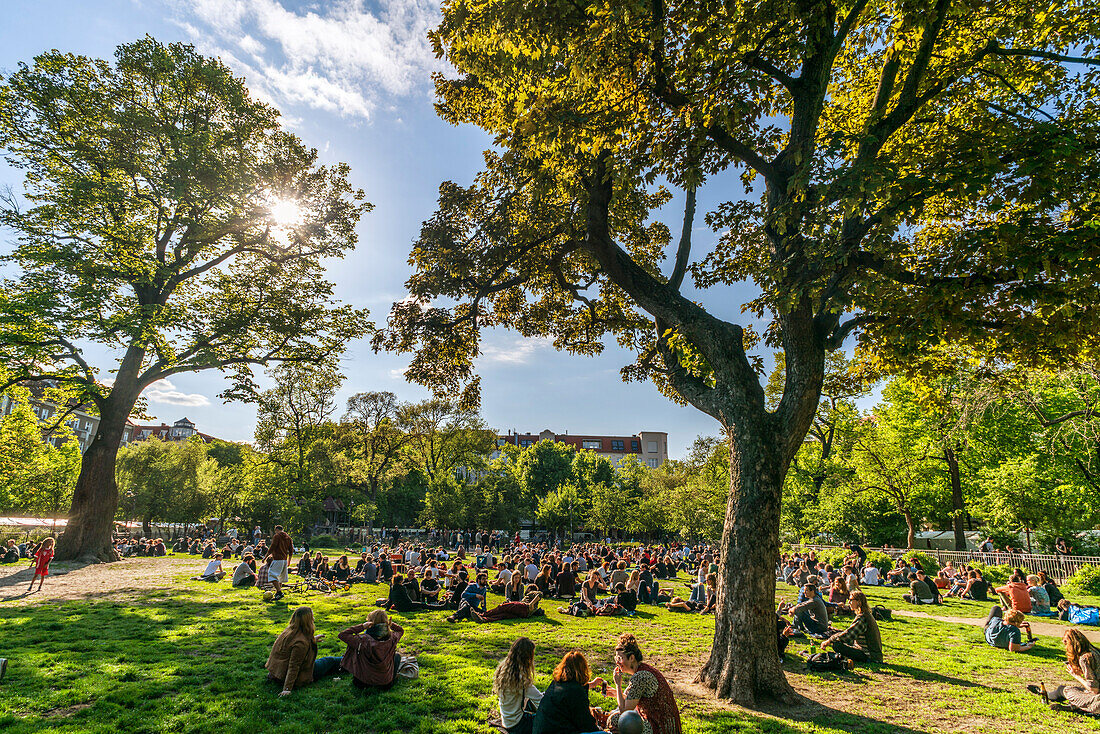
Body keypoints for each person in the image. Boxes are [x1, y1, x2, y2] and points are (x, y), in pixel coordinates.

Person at [605, 633, 682, 734]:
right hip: (662, 723)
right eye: (616, 659)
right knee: (616, 716)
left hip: (660, 727)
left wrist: (618, 684)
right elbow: (630, 701)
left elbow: (625, 712)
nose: (617, 663)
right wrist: (616, 693)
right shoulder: (643, 669)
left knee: (616, 720)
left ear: (631, 658)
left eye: (620, 659)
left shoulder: (640, 677)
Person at [265, 606, 341, 695]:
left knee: (327, 663)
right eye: (312, 617)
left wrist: (313, 640)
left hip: (277, 674)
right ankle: (351, 660)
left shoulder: (288, 631)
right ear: (308, 621)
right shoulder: (300, 643)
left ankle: (347, 659)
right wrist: (287, 688)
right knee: (329, 661)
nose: (313, 619)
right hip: (298, 675)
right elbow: (294, 666)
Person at [531, 650, 606, 734]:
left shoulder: (556, 684)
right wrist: (599, 729)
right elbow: (586, 724)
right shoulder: (576, 692)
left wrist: (591, 685)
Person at [339, 609, 405, 690]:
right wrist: (390, 625)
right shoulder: (392, 638)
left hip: (362, 683)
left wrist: (362, 626)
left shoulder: (362, 640)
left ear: (370, 623)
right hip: (386, 684)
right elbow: (400, 630)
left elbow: (342, 635)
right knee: (397, 656)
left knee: (357, 652)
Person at [495, 637, 544, 734]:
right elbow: (541, 702)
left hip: (506, 721)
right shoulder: (521, 679)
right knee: (549, 720)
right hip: (517, 725)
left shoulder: (504, 670)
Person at [821, 591, 883, 664]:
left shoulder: (862, 618)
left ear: (858, 602)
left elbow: (848, 635)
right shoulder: (865, 614)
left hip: (869, 655)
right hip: (871, 653)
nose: (849, 602)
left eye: (851, 600)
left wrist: (830, 640)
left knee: (837, 645)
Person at [268, 525, 293, 601]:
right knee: (281, 577)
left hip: (278, 559)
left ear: (277, 530)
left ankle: (279, 592)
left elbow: (273, 547)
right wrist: (289, 560)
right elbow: (291, 550)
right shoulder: (288, 537)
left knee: (271, 574)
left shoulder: (277, 536)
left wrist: (266, 556)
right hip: (284, 559)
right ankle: (278, 593)